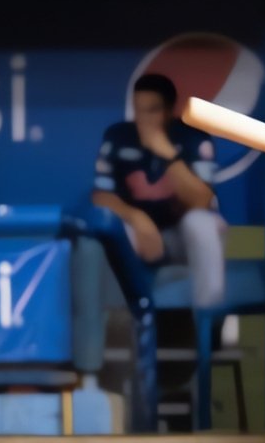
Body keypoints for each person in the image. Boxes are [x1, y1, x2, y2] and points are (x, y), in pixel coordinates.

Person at [91, 73, 227, 310]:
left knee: (201, 223)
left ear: (168, 111)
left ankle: (209, 320)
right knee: (110, 231)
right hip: (140, 236)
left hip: (181, 236)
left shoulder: (193, 139)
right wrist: (136, 217)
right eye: (139, 110)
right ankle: (121, 326)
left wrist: (167, 154)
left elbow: (202, 201)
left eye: (152, 110)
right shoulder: (118, 137)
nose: (144, 119)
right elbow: (101, 196)